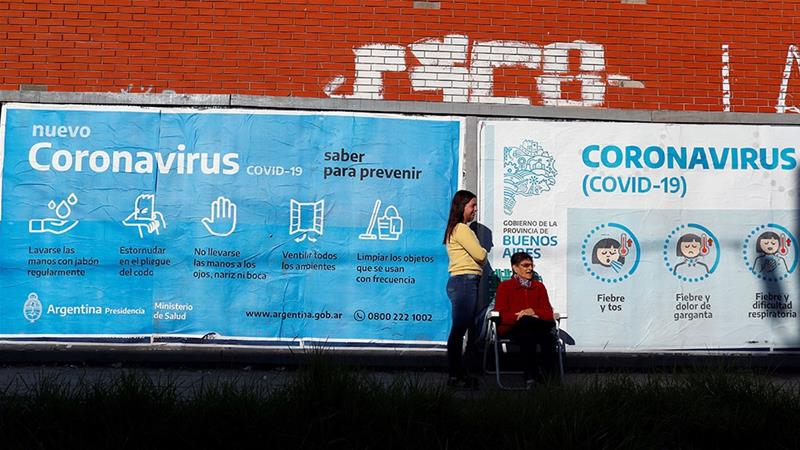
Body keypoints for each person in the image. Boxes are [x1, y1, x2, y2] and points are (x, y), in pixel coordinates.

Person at [443, 190, 487, 388]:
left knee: (465, 328)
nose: (475, 209)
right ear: (462, 207)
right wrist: (484, 251)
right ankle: (455, 375)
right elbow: (480, 255)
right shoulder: (461, 229)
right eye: (472, 206)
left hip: (465, 282)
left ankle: (461, 373)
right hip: (464, 282)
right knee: (459, 329)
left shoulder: (458, 229)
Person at [493, 251, 556, 388]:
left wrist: (533, 311)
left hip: (535, 328)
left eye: (531, 265)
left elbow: (548, 313)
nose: (530, 269)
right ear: (515, 268)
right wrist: (520, 316)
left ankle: (538, 378)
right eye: (525, 265)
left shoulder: (539, 287)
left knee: (544, 335)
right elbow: (501, 315)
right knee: (529, 326)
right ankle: (540, 378)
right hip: (512, 328)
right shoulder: (505, 286)